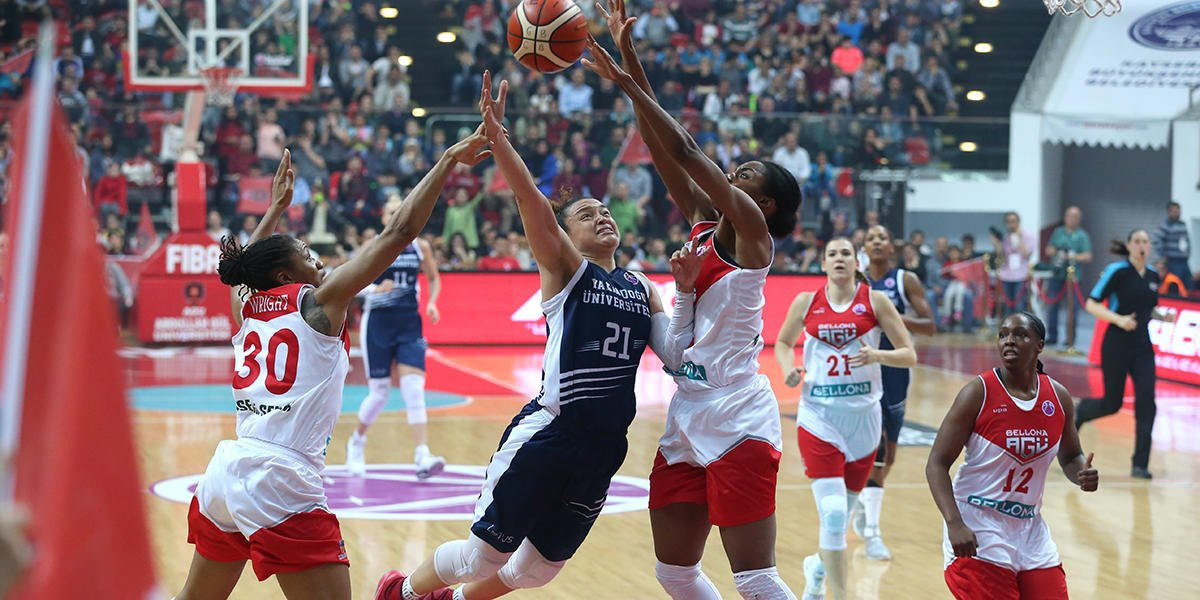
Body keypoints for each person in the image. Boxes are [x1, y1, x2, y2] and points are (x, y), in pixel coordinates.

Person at [374, 72, 689, 600]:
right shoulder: (568, 270)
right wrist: (499, 141)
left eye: (605, 211)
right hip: (551, 434)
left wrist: (687, 292)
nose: (602, 217)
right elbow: (531, 203)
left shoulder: (642, 286)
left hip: (605, 447)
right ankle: (400, 592)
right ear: (565, 234)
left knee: (537, 571)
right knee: (481, 556)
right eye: (586, 215)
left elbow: (676, 357)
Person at [176, 132, 491, 600]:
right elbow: (398, 233)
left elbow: (243, 273)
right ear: (286, 276)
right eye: (307, 256)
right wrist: (446, 161)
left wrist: (274, 210)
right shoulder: (318, 304)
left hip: (227, 472)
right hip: (282, 478)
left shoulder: (247, 309)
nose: (318, 260)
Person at [583, 4, 804, 597]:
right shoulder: (706, 223)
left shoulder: (752, 236)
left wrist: (625, 80)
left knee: (754, 578)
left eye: (747, 173)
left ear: (766, 204)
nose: (735, 171)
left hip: (738, 415)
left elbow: (683, 148)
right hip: (688, 408)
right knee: (674, 570)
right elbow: (662, 148)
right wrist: (628, 55)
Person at [774, 237, 917, 600]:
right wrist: (789, 368)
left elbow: (909, 354)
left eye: (846, 254)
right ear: (823, 264)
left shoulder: (876, 301)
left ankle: (816, 571)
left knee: (838, 521)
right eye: (832, 254)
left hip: (864, 421)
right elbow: (784, 343)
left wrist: (877, 356)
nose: (839, 258)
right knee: (835, 514)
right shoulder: (806, 301)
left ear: (857, 262)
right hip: (819, 417)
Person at [926, 311, 1099, 599]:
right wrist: (954, 523)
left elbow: (1071, 455)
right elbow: (936, 463)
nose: (1009, 341)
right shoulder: (978, 393)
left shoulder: (1058, 397)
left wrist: (1082, 473)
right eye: (1003, 335)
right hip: (978, 524)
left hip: (1029, 528)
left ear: (1039, 345)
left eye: (1020, 335)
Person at [345, 194, 447, 480]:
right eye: (391, 212)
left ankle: (422, 454)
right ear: (383, 217)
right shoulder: (373, 245)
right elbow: (350, 281)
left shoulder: (420, 246)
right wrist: (373, 290)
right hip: (378, 323)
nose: (397, 216)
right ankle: (357, 441)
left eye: (400, 211)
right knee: (379, 392)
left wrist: (432, 302)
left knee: (414, 388)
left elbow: (434, 278)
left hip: (408, 323)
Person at [852, 225, 936, 560]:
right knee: (876, 448)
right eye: (870, 238)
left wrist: (890, 316)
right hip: (863, 369)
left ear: (891, 247)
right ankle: (873, 530)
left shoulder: (905, 281)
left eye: (882, 238)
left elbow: (929, 326)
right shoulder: (856, 281)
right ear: (864, 247)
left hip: (896, 370)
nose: (876, 242)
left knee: (889, 453)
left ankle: (866, 499)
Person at [1075, 230, 1176, 479]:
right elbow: (1091, 303)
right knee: (1112, 404)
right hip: (1116, 345)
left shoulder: (1153, 276)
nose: (1142, 245)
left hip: (1142, 347)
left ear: (1149, 246)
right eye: (1137, 241)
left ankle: (1140, 464)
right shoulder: (1117, 271)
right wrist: (1119, 320)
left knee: (1147, 402)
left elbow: (1147, 309)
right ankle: (1082, 411)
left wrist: (1163, 317)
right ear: (1129, 246)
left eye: (1145, 241)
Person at [1043, 206, 1093, 348]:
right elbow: (1048, 250)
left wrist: (1072, 256)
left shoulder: (1082, 235)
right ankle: (1052, 336)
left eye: (1075, 217)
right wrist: (1056, 251)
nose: (1071, 219)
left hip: (1073, 277)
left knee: (1073, 309)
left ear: (1079, 219)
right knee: (1052, 306)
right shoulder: (1058, 232)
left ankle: (1070, 338)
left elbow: (1088, 256)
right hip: (1056, 274)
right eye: (1069, 216)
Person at [992, 212, 1034, 312]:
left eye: (1013, 221)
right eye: (1008, 222)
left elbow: (1027, 254)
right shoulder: (1005, 238)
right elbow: (1002, 259)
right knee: (1007, 307)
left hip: (1021, 275)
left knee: (1019, 306)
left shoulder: (1028, 236)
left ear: (1018, 222)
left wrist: (1018, 238)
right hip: (1006, 275)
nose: (1011, 225)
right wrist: (997, 245)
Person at [1152, 201, 1192, 290]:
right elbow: (1156, 241)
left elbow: (1187, 241)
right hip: (1173, 261)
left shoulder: (1183, 225)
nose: (1177, 213)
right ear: (1169, 212)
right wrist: (1164, 255)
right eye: (1174, 211)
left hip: (1184, 261)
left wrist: (1188, 253)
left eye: (1178, 211)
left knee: (1188, 284)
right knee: (1175, 284)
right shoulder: (1165, 226)